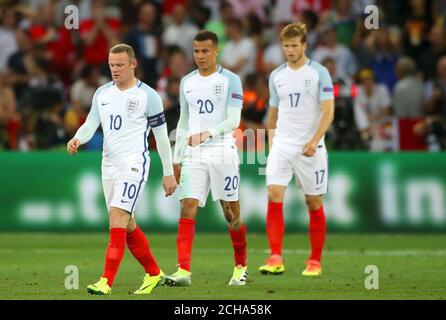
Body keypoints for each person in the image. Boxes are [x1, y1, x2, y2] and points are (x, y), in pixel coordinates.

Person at [66, 44, 177, 295]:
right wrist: (77, 138)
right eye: (111, 65)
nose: (114, 70)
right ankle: (154, 273)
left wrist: (168, 172)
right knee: (127, 226)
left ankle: (105, 281)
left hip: (134, 165)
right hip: (109, 165)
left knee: (117, 217)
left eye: (119, 65)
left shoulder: (148, 96)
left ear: (133, 64)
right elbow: (91, 123)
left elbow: (161, 138)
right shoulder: (102, 93)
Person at [165, 30, 248, 286]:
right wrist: (176, 160)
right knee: (187, 205)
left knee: (231, 214)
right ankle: (183, 271)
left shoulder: (231, 80)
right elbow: (184, 121)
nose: (200, 56)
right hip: (195, 154)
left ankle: (240, 267)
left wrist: (207, 133)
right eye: (196, 51)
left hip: (223, 150)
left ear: (216, 51)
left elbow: (234, 120)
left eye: (205, 51)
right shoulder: (187, 82)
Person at [259, 22, 334, 277]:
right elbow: (273, 113)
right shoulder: (276, 76)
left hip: (310, 146)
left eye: (294, 45)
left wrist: (314, 140)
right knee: (273, 194)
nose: (289, 50)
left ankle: (315, 261)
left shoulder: (319, 73)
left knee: (313, 202)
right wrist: (271, 144)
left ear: (304, 45)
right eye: (286, 46)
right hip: (283, 143)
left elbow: (328, 110)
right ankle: (275, 257)